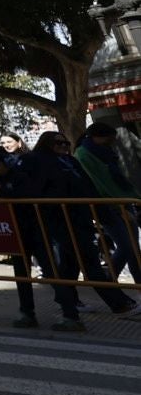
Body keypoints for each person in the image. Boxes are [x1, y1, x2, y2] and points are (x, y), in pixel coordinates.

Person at [31, 131, 140, 315]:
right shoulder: (39, 162)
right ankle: (120, 304)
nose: (64, 146)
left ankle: (67, 299)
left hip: (80, 218)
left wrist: (101, 212)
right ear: (47, 144)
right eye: (59, 143)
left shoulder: (71, 162)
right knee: (89, 262)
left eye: (66, 143)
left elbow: (88, 188)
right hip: (61, 220)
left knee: (71, 263)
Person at [0, 145, 83, 331]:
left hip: (36, 231)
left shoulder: (21, 176)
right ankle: (27, 313)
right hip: (17, 233)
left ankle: (71, 315)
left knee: (51, 272)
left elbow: (24, 196)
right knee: (21, 275)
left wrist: (1, 190)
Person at [76, 122, 141, 284]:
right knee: (126, 246)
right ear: (98, 137)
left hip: (122, 201)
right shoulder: (83, 155)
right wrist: (118, 207)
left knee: (133, 248)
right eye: (109, 139)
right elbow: (97, 183)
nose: (112, 142)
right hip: (107, 206)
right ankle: (109, 281)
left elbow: (117, 178)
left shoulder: (105, 151)